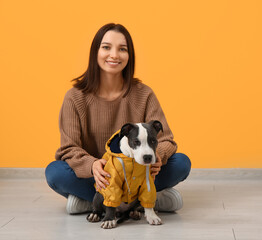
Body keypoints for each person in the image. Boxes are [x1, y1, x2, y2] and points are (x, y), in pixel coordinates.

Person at [45, 23, 191, 214]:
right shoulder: (75, 97)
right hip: (101, 177)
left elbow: (166, 140)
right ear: (95, 52)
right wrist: (92, 165)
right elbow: (69, 148)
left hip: (137, 174)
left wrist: (158, 157)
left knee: (181, 163)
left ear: (129, 56)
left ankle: (95, 203)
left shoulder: (143, 94)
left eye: (122, 49)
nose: (114, 55)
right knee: (55, 172)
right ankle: (142, 201)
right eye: (106, 47)